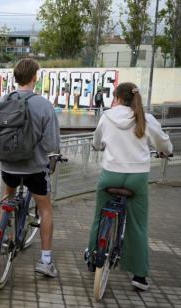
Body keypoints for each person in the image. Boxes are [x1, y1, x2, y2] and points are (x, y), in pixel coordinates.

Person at [86, 82, 173, 291]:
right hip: (137, 178)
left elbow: (97, 142)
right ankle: (139, 276)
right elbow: (164, 145)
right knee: (138, 225)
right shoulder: (146, 118)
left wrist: (99, 147)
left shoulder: (107, 116)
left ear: (116, 97)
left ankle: (92, 257)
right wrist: (166, 152)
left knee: (99, 216)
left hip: (110, 174)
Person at [0, 58, 61, 277]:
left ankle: (5, 237)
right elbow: (52, 145)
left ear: (15, 78)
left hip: (8, 166)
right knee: (45, 209)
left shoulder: (1, 102)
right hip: (34, 169)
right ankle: (45, 260)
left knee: (7, 197)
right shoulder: (43, 105)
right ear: (35, 78)